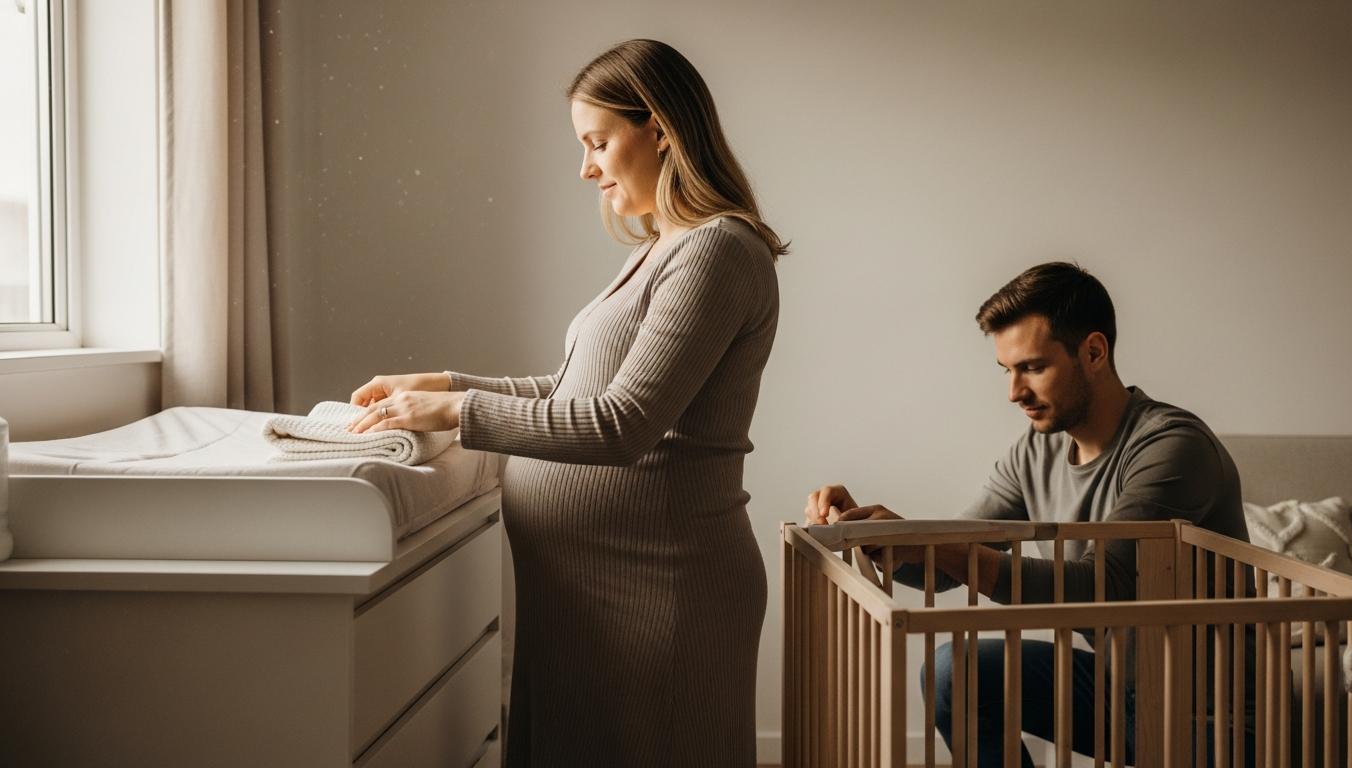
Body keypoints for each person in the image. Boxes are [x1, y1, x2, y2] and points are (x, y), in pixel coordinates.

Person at [348, 39, 786, 767]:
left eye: (598, 142)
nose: (586, 168)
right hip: (593, 590)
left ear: (660, 129)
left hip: (661, 589)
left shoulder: (717, 251)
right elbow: (570, 391)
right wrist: (446, 385)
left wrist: (455, 416)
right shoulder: (660, 249)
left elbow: (622, 426)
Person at [804, 262, 1250, 767]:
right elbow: (949, 563)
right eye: (1007, 371)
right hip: (1115, 688)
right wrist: (874, 533)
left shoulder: (1172, 446)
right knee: (956, 668)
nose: (1014, 392)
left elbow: (1109, 584)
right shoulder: (1034, 454)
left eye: (1033, 368)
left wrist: (940, 548)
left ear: (1094, 352)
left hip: (1213, 715)